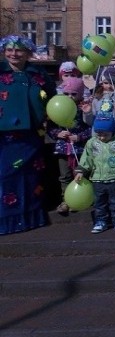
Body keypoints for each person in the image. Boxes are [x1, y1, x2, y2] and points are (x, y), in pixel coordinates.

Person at [0, 35, 57, 235]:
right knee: (6, 177)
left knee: (31, 178)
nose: (13, 54)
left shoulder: (38, 74)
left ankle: (30, 219)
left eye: (19, 50)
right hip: (5, 137)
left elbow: (54, 99)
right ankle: (8, 221)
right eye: (9, 50)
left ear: (28, 53)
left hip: (32, 135)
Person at [75, 113, 115, 233]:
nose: (101, 138)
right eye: (99, 134)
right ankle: (101, 221)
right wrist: (81, 171)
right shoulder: (92, 143)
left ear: (112, 131)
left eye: (105, 135)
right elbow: (87, 158)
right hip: (97, 178)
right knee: (99, 203)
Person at [47, 76, 91, 214]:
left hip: (79, 149)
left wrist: (79, 136)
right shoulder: (58, 105)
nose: (70, 97)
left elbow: (91, 129)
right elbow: (50, 126)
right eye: (66, 93)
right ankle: (66, 200)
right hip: (62, 149)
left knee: (80, 175)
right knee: (64, 176)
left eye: (74, 94)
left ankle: (80, 198)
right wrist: (57, 133)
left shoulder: (83, 108)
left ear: (80, 94)